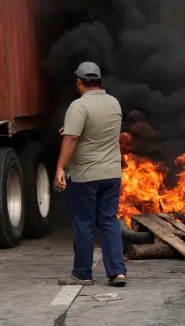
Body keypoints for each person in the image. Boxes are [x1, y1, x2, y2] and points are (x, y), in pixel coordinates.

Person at [55, 61, 127, 287]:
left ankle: (82, 273)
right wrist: (72, 131)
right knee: (108, 221)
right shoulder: (114, 103)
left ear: (79, 81)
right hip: (112, 174)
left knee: (84, 223)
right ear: (99, 81)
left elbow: (72, 138)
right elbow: (104, 133)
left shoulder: (79, 106)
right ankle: (117, 272)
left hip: (85, 176)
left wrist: (59, 168)